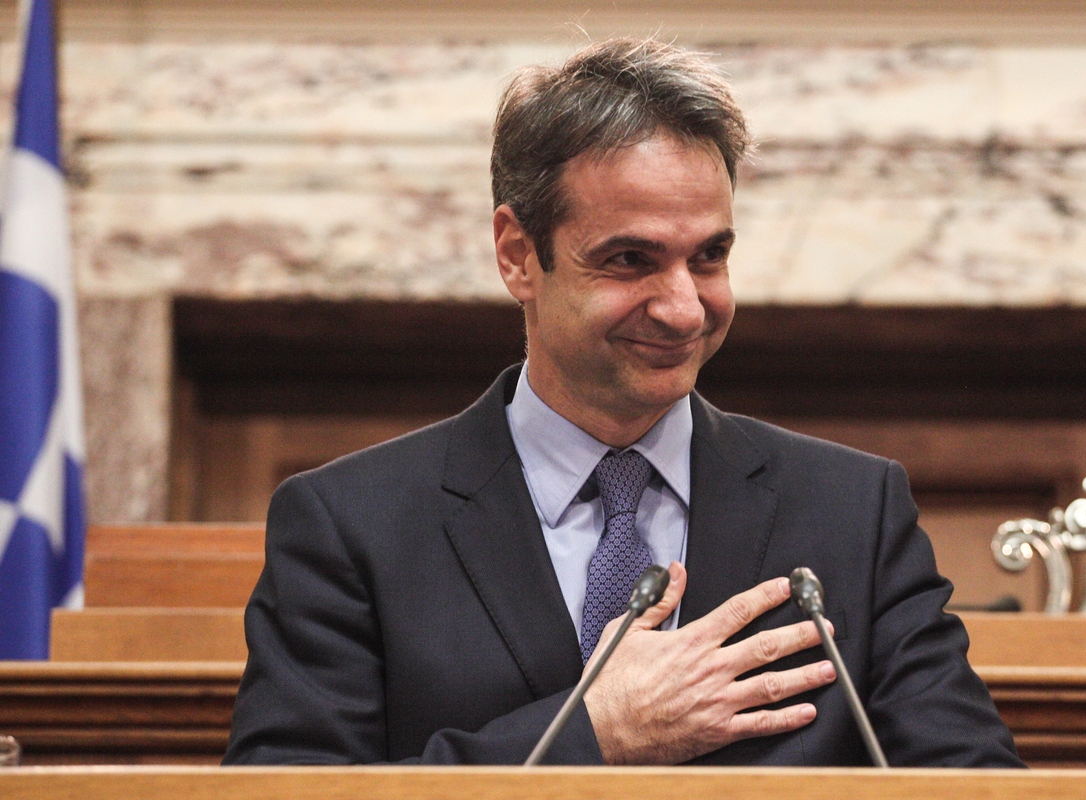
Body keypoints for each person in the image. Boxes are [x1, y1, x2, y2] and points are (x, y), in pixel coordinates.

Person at [223, 37, 1023, 768]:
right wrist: (593, 732)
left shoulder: (854, 510)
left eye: (709, 257)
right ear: (518, 255)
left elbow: (978, 784)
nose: (683, 308)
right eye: (631, 259)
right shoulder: (350, 524)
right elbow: (283, 792)